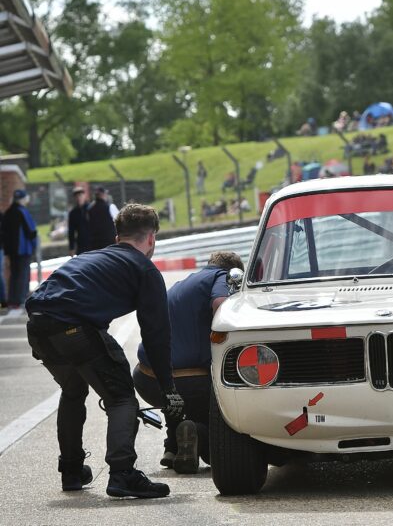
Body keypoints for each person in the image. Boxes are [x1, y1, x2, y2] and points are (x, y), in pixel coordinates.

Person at [25, 204, 184, 498]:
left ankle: (72, 470)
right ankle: (122, 473)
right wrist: (168, 387)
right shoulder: (144, 269)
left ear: (117, 236)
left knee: (73, 391)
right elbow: (157, 334)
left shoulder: (92, 257)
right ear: (151, 239)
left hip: (38, 327)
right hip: (73, 327)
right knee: (122, 396)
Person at [133, 251, 243, 474]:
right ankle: (198, 435)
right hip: (188, 382)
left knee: (175, 395)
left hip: (145, 377)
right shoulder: (221, 277)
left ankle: (172, 448)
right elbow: (221, 302)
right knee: (221, 436)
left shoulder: (183, 284)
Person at [1, 189, 38, 308]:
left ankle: (12, 300)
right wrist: (34, 245)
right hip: (23, 249)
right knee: (22, 275)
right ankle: (21, 299)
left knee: (14, 275)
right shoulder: (23, 211)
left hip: (11, 251)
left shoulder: (7, 213)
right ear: (23, 199)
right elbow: (31, 232)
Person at [87, 186, 116, 251]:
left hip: (95, 243)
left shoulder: (90, 209)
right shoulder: (110, 206)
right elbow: (118, 222)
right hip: (110, 243)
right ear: (103, 194)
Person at [67, 187, 90, 256]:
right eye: (76, 196)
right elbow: (71, 231)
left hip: (93, 243)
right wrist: (71, 248)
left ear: (84, 196)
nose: (78, 198)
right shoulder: (73, 213)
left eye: (80, 195)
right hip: (81, 244)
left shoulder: (91, 208)